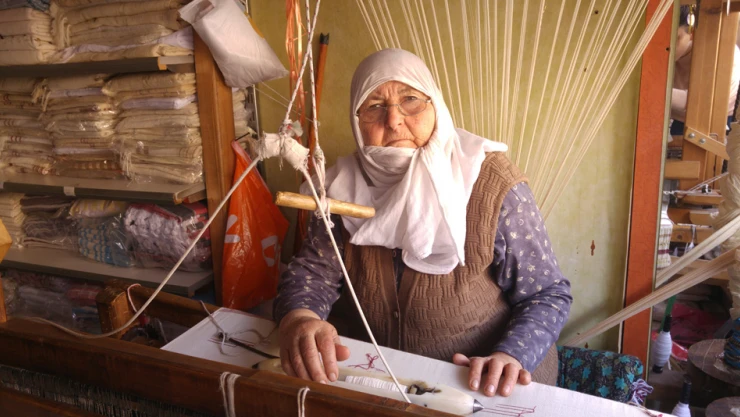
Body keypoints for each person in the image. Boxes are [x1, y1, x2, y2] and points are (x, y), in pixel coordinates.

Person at [273, 49, 572, 398]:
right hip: (386, 378)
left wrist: (511, 355)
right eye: (374, 106)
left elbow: (547, 293)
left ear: (436, 105)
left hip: (484, 380)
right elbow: (313, 273)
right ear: (357, 121)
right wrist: (300, 318)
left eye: (410, 100)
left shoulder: (491, 184)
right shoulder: (339, 188)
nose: (393, 120)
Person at [670, 5, 740, 136]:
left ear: (692, 33)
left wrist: (651, 89)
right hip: (671, 116)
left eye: (675, 38)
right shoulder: (668, 52)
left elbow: (702, 101)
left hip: (711, 125)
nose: (668, 46)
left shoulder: (724, 53)